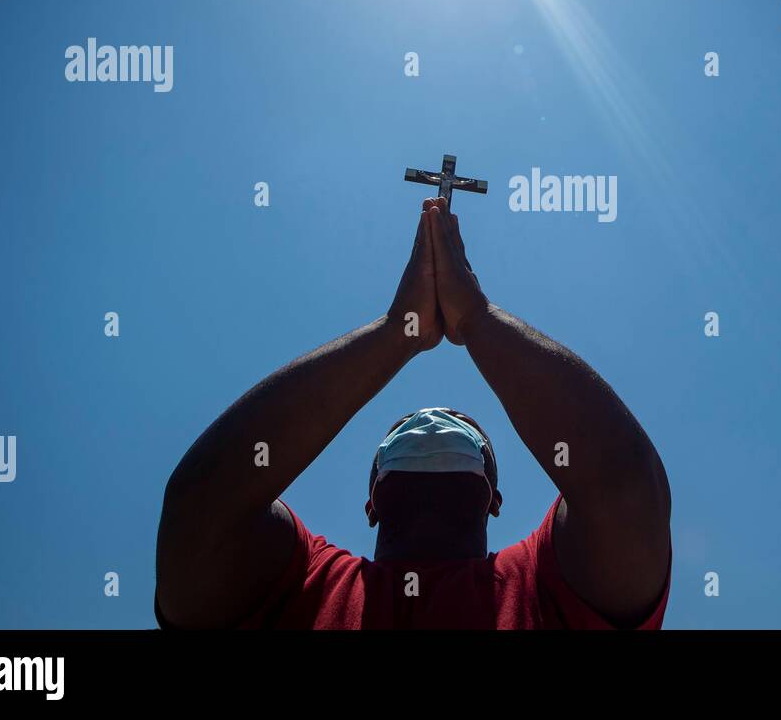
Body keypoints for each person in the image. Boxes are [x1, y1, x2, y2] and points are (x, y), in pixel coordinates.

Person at [155, 196, 672, 629]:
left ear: (494, 499)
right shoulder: (302, 586)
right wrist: (394, 333)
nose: (431, 423)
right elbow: (200, 506)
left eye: (467, 431)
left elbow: (626, 489)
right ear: (371, 503)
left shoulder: (541, 588)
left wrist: (477, 319)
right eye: (404, 430)